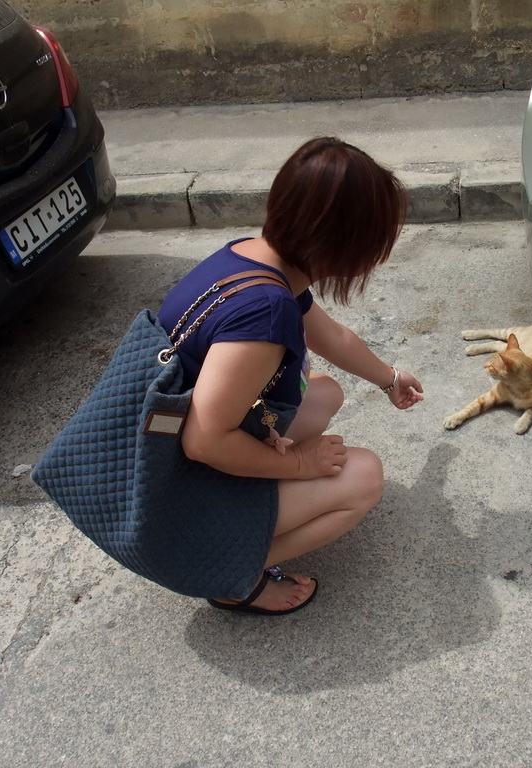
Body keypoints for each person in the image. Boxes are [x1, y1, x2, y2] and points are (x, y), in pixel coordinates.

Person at [157, 137, 424, 616]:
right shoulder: (264, 314)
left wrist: (390, 378)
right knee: (363, 476)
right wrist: (299, 465)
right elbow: (204, 440)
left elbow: (332, 338)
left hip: (169, 450)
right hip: (179, 488)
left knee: (322, 393)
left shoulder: (254, 258)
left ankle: (238, 528)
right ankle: (227, 571)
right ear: (345, 245)